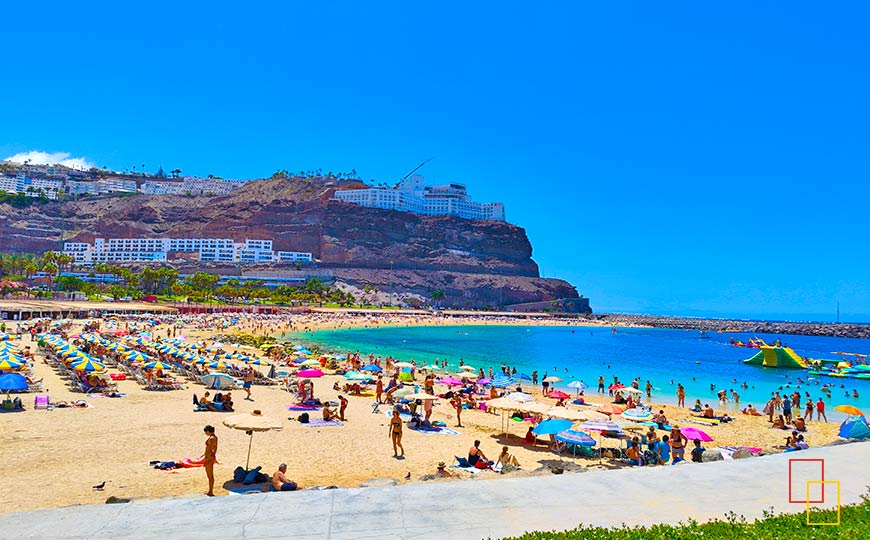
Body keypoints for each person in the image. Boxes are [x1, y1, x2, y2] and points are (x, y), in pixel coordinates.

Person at [202, 425, 218, 496]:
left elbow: (213, 449)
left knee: (210, 476)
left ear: (208, 431)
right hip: (209, 457)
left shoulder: (212, 438)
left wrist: (207, 460)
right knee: (209, 475)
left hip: (209, 458)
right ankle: (210, 490)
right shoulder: (214, 437)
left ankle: (211, 491)